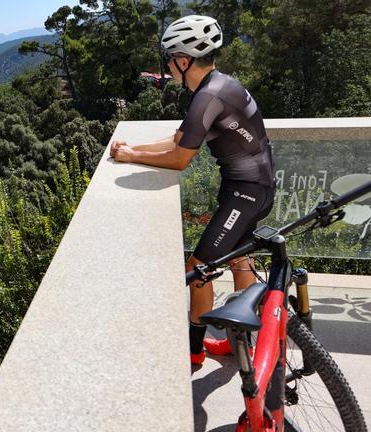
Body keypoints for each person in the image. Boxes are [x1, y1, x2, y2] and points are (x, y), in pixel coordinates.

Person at [110, 15, 275, 365]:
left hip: (244, 193)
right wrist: (133, 151)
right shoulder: (220, 85)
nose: (168, 68)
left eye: (169, 60)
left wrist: (131, 156)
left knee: (199, 268)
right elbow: (179, 139)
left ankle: (194, 350)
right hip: (256, 188)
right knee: (239, 261)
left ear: (184, 61)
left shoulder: (208, 95)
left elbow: (179, 158)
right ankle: (241, 342)